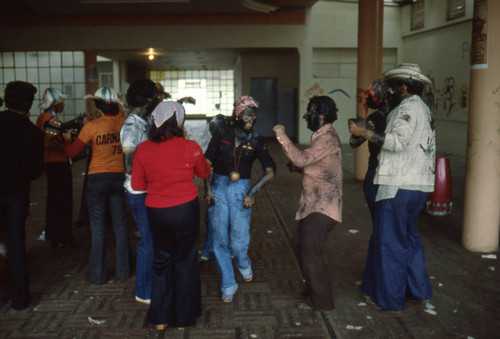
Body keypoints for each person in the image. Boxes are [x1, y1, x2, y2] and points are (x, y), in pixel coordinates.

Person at [349, 63, 435, 311]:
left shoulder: (407, 109)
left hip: (398, 185)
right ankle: (418, 289)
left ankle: (390, 299)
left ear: (404, 87)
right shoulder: (424, 110)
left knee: (390, 243)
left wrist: (365, 133)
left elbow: (396, 142)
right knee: (407, 237)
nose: (390, 92)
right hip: (416, 185)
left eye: (394, 88)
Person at [131, 101, 211, 330]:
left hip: (156, 211)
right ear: (179, 122)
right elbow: (204, 171)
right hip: (185, 209)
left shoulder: (144, 149)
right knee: (185, 260)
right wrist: (187, 144)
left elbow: (137, 185)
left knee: (162, 259)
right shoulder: (191, 146)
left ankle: (160, 318)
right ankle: (184, 319)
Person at [273, 95, 342, 311]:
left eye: (310, 111)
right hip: (313, 204)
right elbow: (313, 163)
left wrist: (282, 136)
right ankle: (313, 286)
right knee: (300, 244)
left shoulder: (327, 138)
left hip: (323, 206)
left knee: (311, 252)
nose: (306, 115)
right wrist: (300, 168)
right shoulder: (321, 137)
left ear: (321, 114)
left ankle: (322, 301)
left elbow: (302, 158)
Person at [204, 96, 275, 302]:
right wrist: (207, 190)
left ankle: (243, 262)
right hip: (218, 187)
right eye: (247, 115)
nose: (251, 119)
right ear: (236, 115)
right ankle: (228, 282)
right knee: (219, 240)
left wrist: (251, 193)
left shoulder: (256, 139)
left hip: (241, 190)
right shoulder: (221, 135)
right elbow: (206, 164)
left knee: (238, 242)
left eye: (254, 116)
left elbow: (270, 171)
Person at [63, 87, 130, 285]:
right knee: (120, 225)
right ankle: (123, 270)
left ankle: (98, 275)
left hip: (97, 179)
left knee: (98, 227)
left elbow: (72, 153)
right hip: (119, 178)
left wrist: (67, 140)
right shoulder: (124, 123)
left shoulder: (92, 126)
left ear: (98, 105)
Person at [0, 81, 44, 310]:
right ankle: (19, 299)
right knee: (16, 244)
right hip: (17, 194)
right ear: (27, 104)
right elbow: (37, 171)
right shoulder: (33, 133)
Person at [120, 79, 160, 304]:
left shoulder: (144, 121)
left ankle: (151, 284)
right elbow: (128, 164)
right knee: (149, 240)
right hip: (138, 191)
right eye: (155, 96)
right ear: (146, 100)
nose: (157, 100)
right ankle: (144, 291)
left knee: (153, 237)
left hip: (148, 188)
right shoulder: (132, 126)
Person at [35, 88, 77, 248]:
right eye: (62, 102)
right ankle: (63, 238)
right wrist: (66, 143)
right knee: (63, 201)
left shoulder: (42, 117)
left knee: (53, 200)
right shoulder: (52, 120)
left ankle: (53, 233)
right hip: (58, 163)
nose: (63, 104)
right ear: (56, 104)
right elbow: (49, 141)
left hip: (49, 164)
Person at [348, 79, 389, 220]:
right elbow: (354, 143)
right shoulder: (374, 118)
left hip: (391, 177)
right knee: (378, 221)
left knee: (386, 222)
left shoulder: (399, 120)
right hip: (374, 173)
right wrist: (357, 131)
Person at [199, 114, 229, 262]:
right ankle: (223, 249)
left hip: (219, 184)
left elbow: (206, 168)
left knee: (212, 219)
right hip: (230, 184)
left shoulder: (216, 141)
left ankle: (208, 251)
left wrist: (208, 190)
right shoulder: (233, 138)